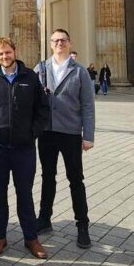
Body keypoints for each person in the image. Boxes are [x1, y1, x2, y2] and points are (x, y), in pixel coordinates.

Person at [0, 37, 49, 260]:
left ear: (14, 51)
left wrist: (33, 132)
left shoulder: (30, 76)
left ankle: (31, 238)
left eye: (8, 53)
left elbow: (43, 109)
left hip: (24, 147)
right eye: (0, 54)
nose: (4, 57)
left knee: (25, 194)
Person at [35, 29, 94, 249]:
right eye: (55, 40)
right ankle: (44, 219)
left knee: (75, 178)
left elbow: (88, 105)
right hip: (47, 132)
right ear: (50, 44)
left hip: (70, 132)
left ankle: (82, 225)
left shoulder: (80, 71)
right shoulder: (41, 69)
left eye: (63, 40)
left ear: (69, 43)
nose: (59, 43)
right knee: (47, 176)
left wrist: (88, 136)